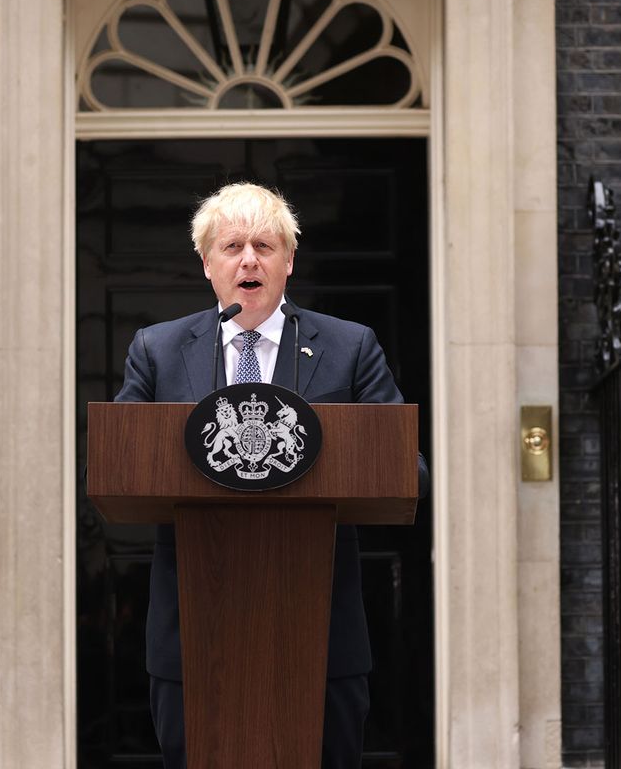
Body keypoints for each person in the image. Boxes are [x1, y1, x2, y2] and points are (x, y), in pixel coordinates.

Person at [114, 182, 427, 769]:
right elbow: (118, 462)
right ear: (207, 264)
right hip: (193, 635)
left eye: (265, 244)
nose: (249, 259)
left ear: (290, 260)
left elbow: (408, 471)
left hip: (319, 632)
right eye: (232, 246)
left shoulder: (349, 346)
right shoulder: (156, 351)